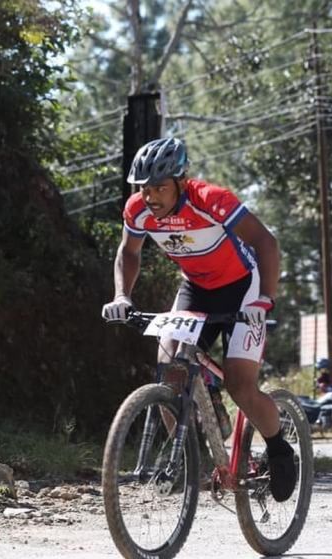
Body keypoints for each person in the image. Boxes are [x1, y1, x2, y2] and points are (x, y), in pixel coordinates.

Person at [101, 137, 295, 502]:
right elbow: (128, 252)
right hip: (197, 288)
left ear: (181, 182)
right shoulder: (137, 211)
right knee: (169, 368)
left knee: (242, 386)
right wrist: (122, 296)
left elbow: (266, 243)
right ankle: (194, 459)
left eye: (160, 187)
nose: (151, 197)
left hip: (244, 289)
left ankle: (279, 449)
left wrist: (264, 300)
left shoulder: (212, 200)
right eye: (144, 189)